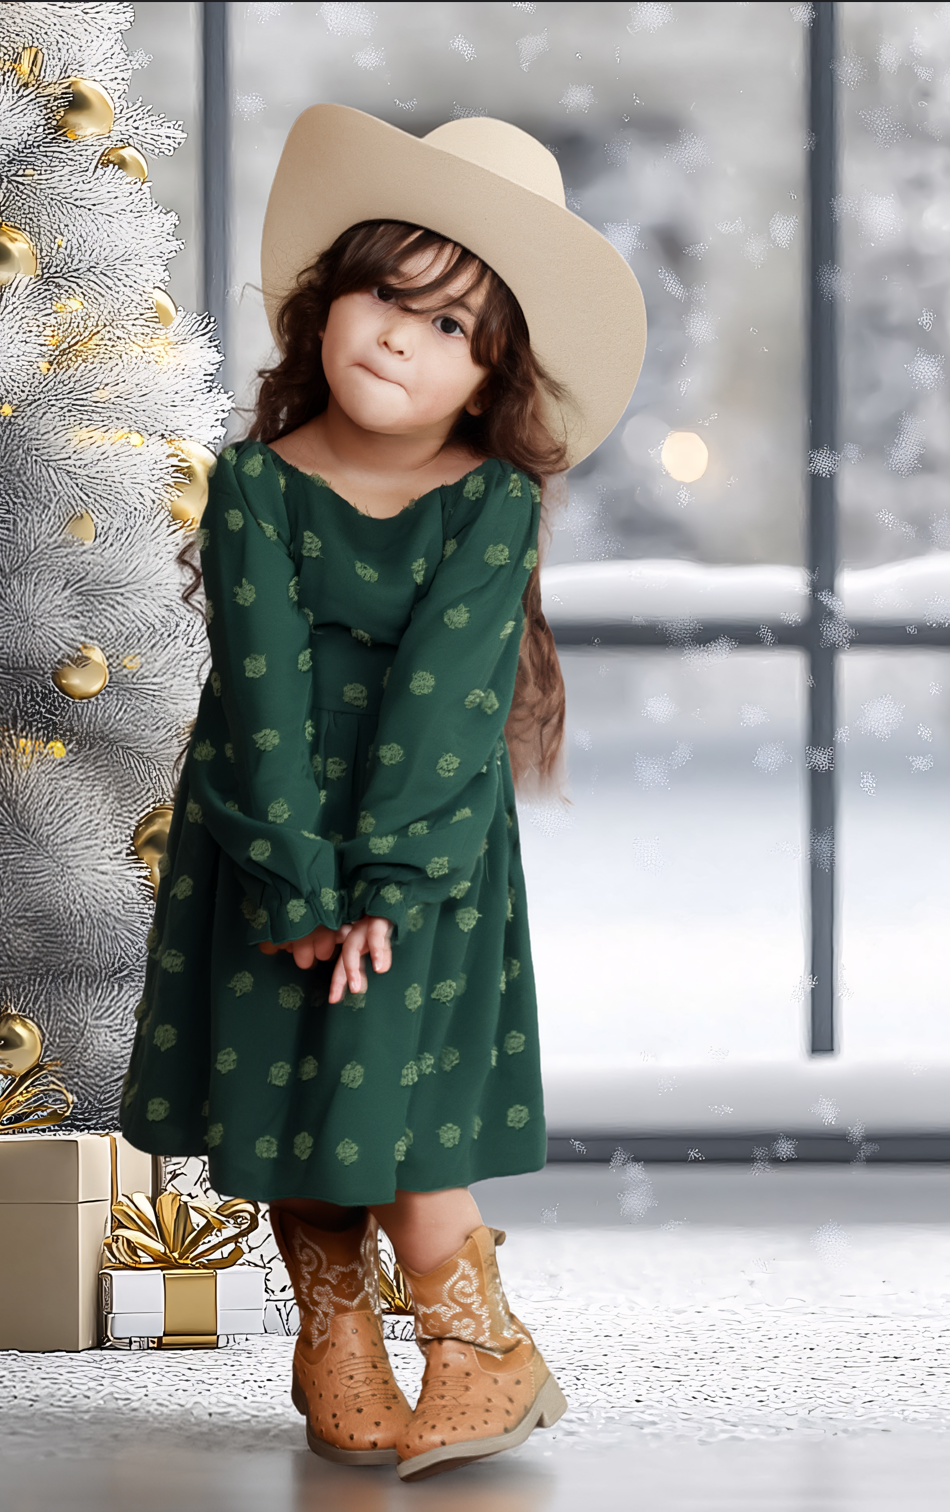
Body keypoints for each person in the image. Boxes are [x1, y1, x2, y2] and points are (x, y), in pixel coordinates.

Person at [121, 104, 645, 1481]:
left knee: (392, 1100)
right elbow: (261, 689)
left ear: (490, 378)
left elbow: (444, 703)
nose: (404, 336)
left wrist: (382, 885)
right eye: (386, 294)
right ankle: (331, 1328)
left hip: (429, 853)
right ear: (328, 301)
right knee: (293, 1080)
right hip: (261, 822)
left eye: (454, 327)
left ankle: (479, 1348)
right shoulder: (253, 486)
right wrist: (296, 877)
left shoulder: (489, 504)